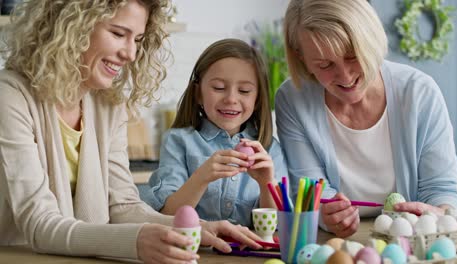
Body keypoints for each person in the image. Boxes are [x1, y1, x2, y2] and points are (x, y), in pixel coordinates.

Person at [0, 1, 263, 263]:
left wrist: (195, 229)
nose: (131, 53)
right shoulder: (11, 97)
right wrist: (136, 241)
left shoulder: (108, 105)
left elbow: (123, 207)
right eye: (118, 33)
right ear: (72, 26)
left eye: (137, 39)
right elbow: (39, 224)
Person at [276, 0, 457, 238]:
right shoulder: (293, 99)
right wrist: (326, 214)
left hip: (411, 240)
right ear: (301, 58)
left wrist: (437, 215)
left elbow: (442, 190)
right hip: (335, 242)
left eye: (353, 56)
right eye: (325, 64)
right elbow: (311, 190)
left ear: (371, 40)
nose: (345, 76)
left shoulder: (419, 92)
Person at [142, 38, 288, 227]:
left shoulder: (269, 149)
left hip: (248, 255)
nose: (231, 99)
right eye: (219, 88)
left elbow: (277, 227)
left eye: (244, 91)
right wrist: (201, 178)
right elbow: (167, 216)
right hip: (194, 252)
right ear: (198, 93)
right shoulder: (178, 141)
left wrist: (267, 183)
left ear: (258, 98)